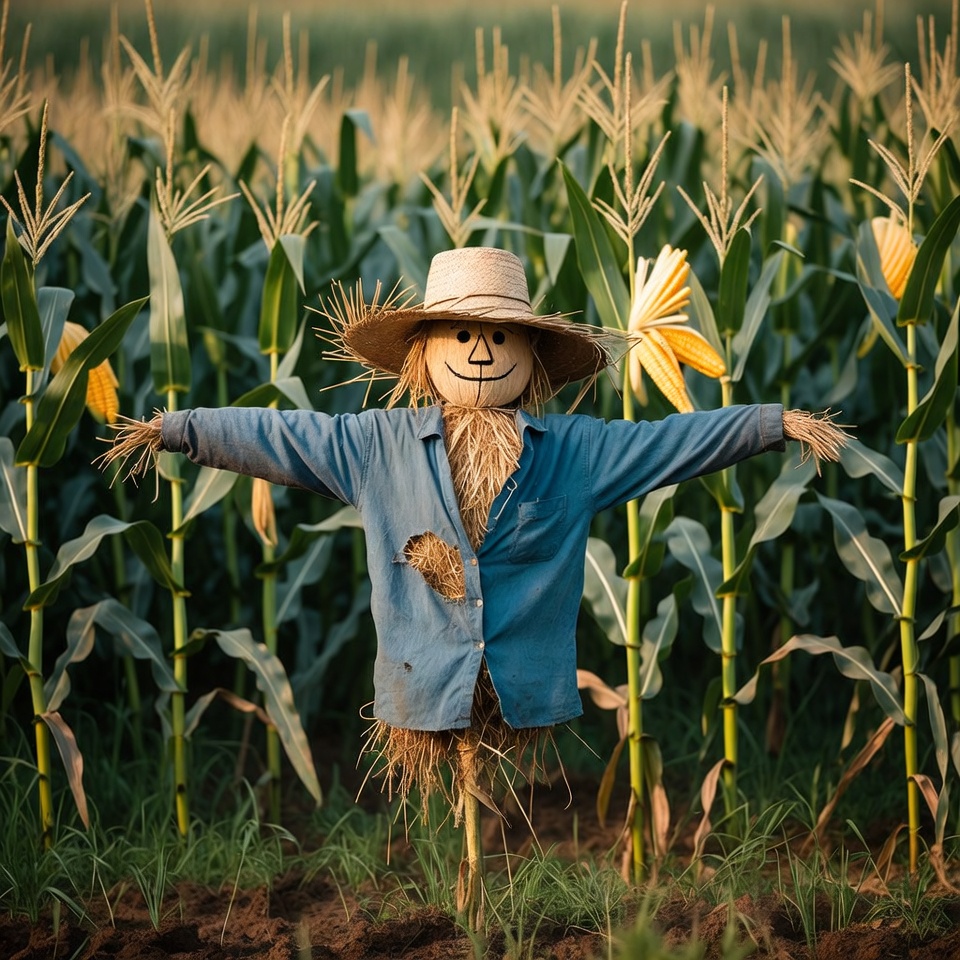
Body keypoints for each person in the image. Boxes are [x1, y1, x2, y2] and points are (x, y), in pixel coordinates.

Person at [100, 246, 846, 820]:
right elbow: (280, 436)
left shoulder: (574, 452)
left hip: (519, 677)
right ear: (424, 350)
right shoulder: (378, 446)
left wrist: (771, 424)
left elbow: (668, 444)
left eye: (499, 335)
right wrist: (178, 430)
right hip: (426, 676)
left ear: (532, 355)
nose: (481, 349)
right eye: (462, 333)